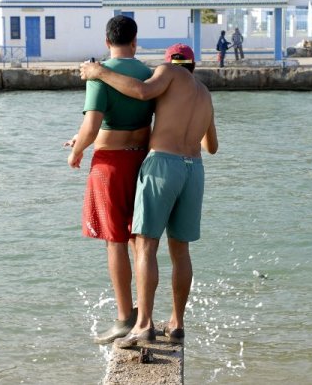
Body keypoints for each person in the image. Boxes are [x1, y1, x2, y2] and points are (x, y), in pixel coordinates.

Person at [80, 43, 218, 349]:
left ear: (170, 64)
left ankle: (142, 325)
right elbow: (212, 146)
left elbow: (142, 92)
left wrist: (99, 71)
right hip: (193, 169)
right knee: (180, 250)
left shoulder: (167, 73)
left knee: (144, 245)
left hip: (163, 165)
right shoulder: (205, 93)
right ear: (194, 66)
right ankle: (177, 324)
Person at [66, 15, 154, 344]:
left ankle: (124, 318)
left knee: (114, 240)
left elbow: (93, 127)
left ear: (107, 42)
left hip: (110, 166)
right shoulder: (148, 74)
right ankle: (144, 315)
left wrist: (77, 152)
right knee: (139, 240)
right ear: (135, 41)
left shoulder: (98, 74)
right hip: (142, 161)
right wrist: (80, 138)